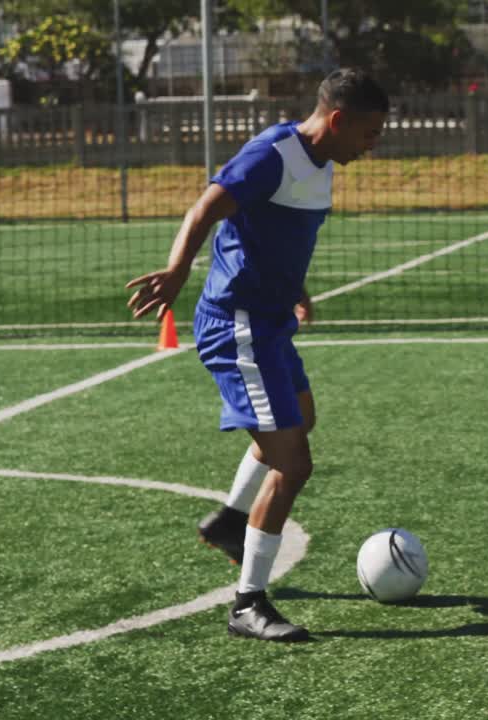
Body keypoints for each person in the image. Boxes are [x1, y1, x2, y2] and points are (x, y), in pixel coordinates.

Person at [125, 68, 388, 642]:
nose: (374, 144)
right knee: (293, 463)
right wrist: (176, 271)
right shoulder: (273, 153)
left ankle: (228, 522)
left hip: (269, 322)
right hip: (238, 326)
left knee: (300, 418)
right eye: (369, 132)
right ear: (337, 120)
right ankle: (247, 604)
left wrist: (293, 286)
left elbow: (271, 233)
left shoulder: (320, 165)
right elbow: (206, 209)